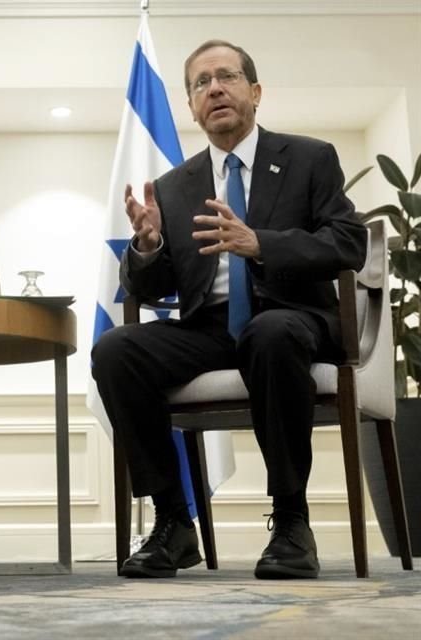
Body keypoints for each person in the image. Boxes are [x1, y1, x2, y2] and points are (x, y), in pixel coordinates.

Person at [91, 40, 367, 580]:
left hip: (292, 316)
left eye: (227, 77)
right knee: (116, 350)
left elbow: (347, 241)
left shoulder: (309, 158)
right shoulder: (174, 186)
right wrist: (146, 246)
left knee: (271, 333)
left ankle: (291, 520)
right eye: (200, 83)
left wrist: (259, 243)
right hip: (209, 327)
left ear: (255, 92)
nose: (214, 88)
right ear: (192, 107)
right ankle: (172, 521)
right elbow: (156, 283)